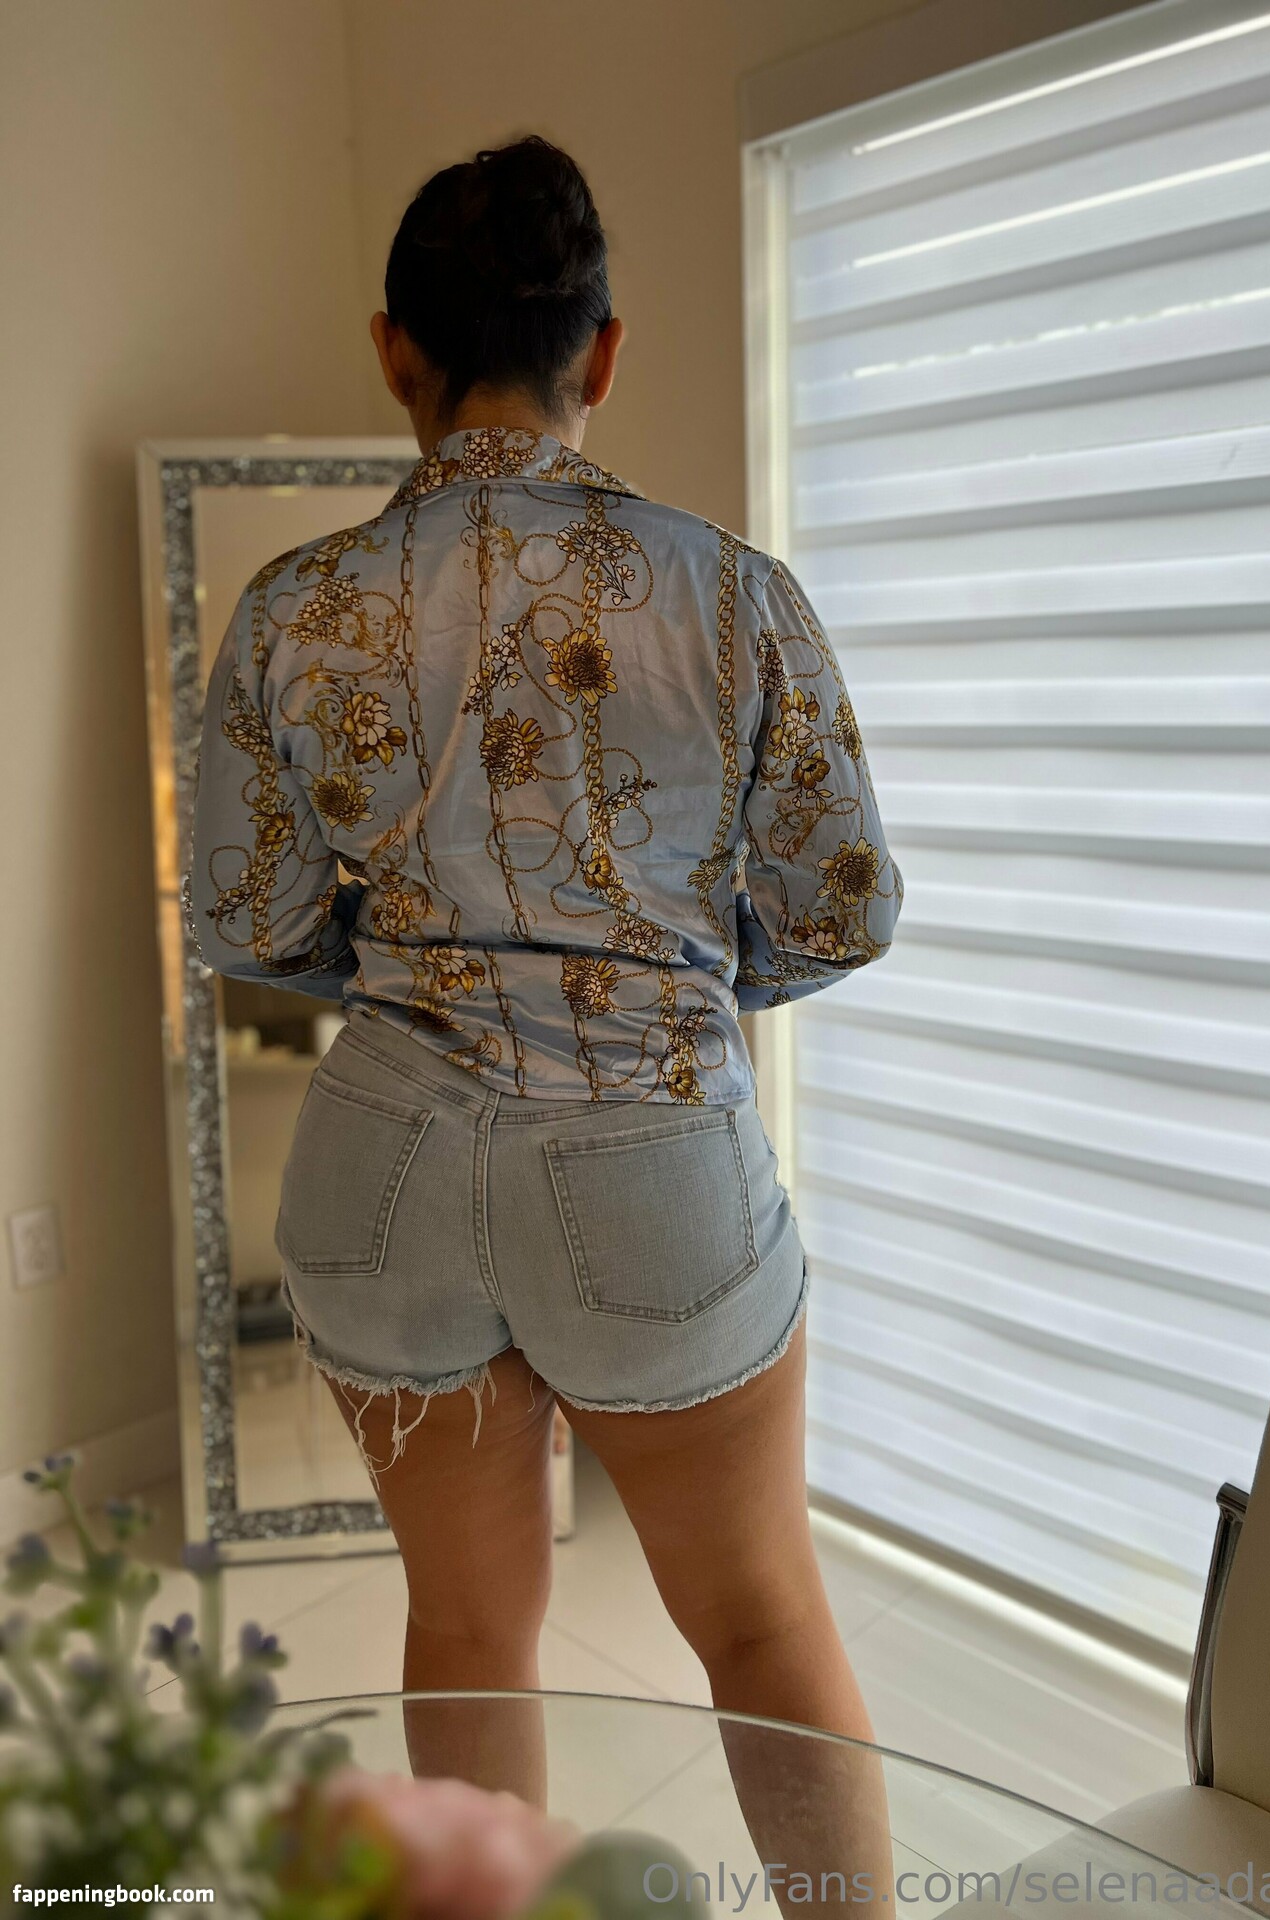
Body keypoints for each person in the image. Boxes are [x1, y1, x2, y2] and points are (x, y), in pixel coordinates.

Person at [189, 136, 902, 1823]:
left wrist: (405, 965)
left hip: (385, 1162)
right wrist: (673, 979)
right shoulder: (733, 596)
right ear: (605, 351)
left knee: (464, 1633)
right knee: (759, 1622)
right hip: (651, 1153)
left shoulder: (291, 609)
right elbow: (842, 907)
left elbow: (245, 923)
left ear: (396, 354)